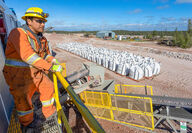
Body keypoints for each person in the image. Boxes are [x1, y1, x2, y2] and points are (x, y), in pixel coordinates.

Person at [3, 7, 62, 129]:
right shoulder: (18, 34)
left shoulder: (41, 38)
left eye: (43, 21)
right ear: (29, 21)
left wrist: (53, 60)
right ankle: (27, 124)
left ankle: (49, 116)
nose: (43, 24)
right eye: (39, 21)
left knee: (48, 87)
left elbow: (45, 54)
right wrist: (50, 67)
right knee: (24, 103)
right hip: (18, 77)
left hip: (35, 73)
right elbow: (28, 56)